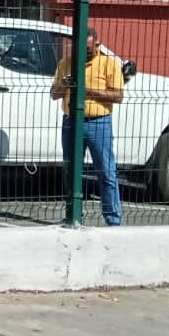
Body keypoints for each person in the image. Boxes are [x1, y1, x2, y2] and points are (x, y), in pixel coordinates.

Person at [49, 27, 125, 226]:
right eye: (79, 49)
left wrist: (87, 91)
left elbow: (118, 95)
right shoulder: (66, 64)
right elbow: (54, 94)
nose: (83, 53)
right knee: (71, 171)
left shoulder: (109, 64)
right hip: (71, 122)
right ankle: (73, 215)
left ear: (97, 45)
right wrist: (65, 85)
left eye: (88, 49)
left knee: (106, 171)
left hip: (99, 123)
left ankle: (113, 220)